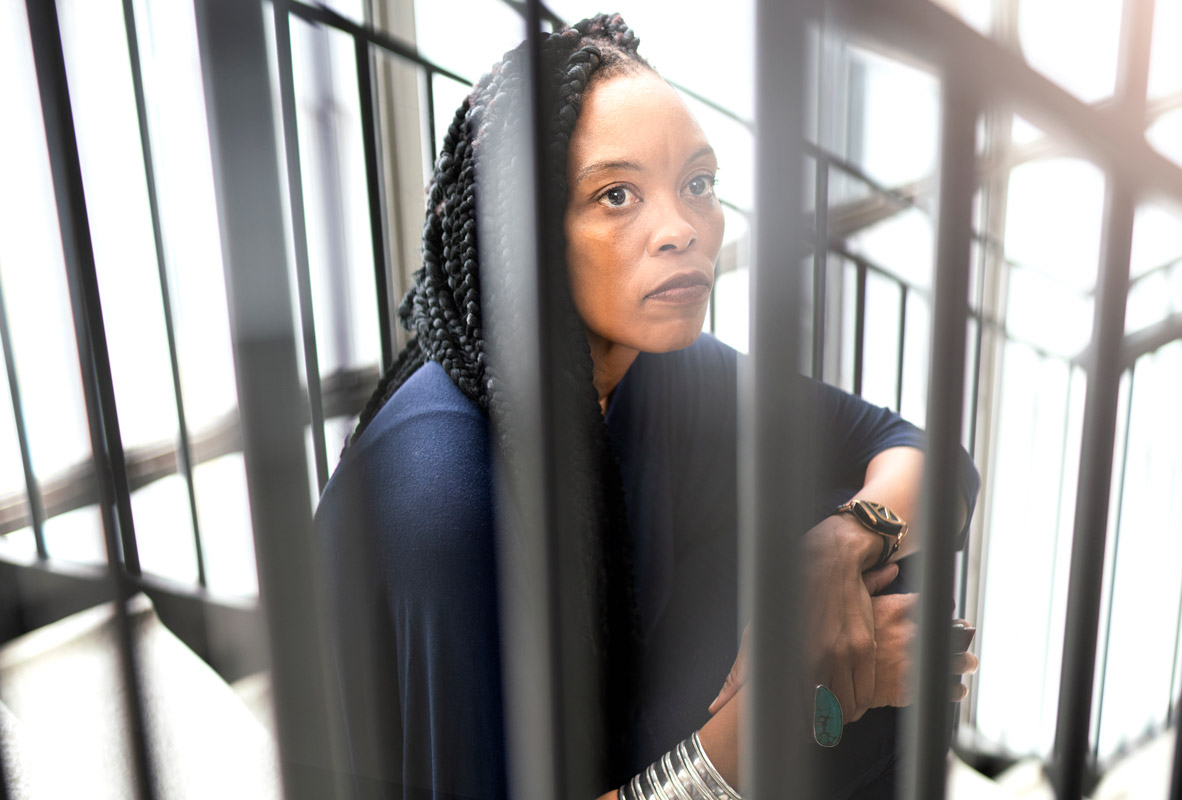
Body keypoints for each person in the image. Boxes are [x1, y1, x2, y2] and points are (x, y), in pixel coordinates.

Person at [315, 12, 980, 800]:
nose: (681, 230)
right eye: (616, 195)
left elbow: (919, 454)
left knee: (876, 570)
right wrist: (792, 703)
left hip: (596, 728)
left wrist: (839, 546)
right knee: (844, 660)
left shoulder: (646, 367)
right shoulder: (442, 489)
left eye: (697, 185)